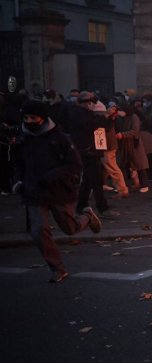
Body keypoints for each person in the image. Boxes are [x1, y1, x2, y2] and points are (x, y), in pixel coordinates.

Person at [12, 100, 102, 283]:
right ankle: (57, 268)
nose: (29, 121)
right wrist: (18, 181)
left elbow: (75, 164)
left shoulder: (60, 138)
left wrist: (52, 176)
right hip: (33, 192)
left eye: (33, 117)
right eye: (26, 117)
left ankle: (87, 217)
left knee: (70, 228)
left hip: (59, 191)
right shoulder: (23, 139)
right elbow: (17, 163)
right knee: (39, 231)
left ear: (42, 118)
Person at [69, 91, 120, 218]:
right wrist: (106, 116)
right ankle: (102, 208)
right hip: (87, 150)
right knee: (96, 180)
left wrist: (110, 119)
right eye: (91, 103)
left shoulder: (86, 114)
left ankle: (82, 206)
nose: (92, 105)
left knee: (88, 180)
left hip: (92, 150)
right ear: (86, 103)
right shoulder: (77, 113)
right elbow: (91, 125)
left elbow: (102, 127)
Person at [115, 103, 150, 193]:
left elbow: (135, 131)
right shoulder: (120, 118)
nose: (119, 112)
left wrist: (122, 135)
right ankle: (125, 185)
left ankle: (144, 184)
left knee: (140, 165)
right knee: (123, 164)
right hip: (124, 143)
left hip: (134, 143)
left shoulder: (134, 117)